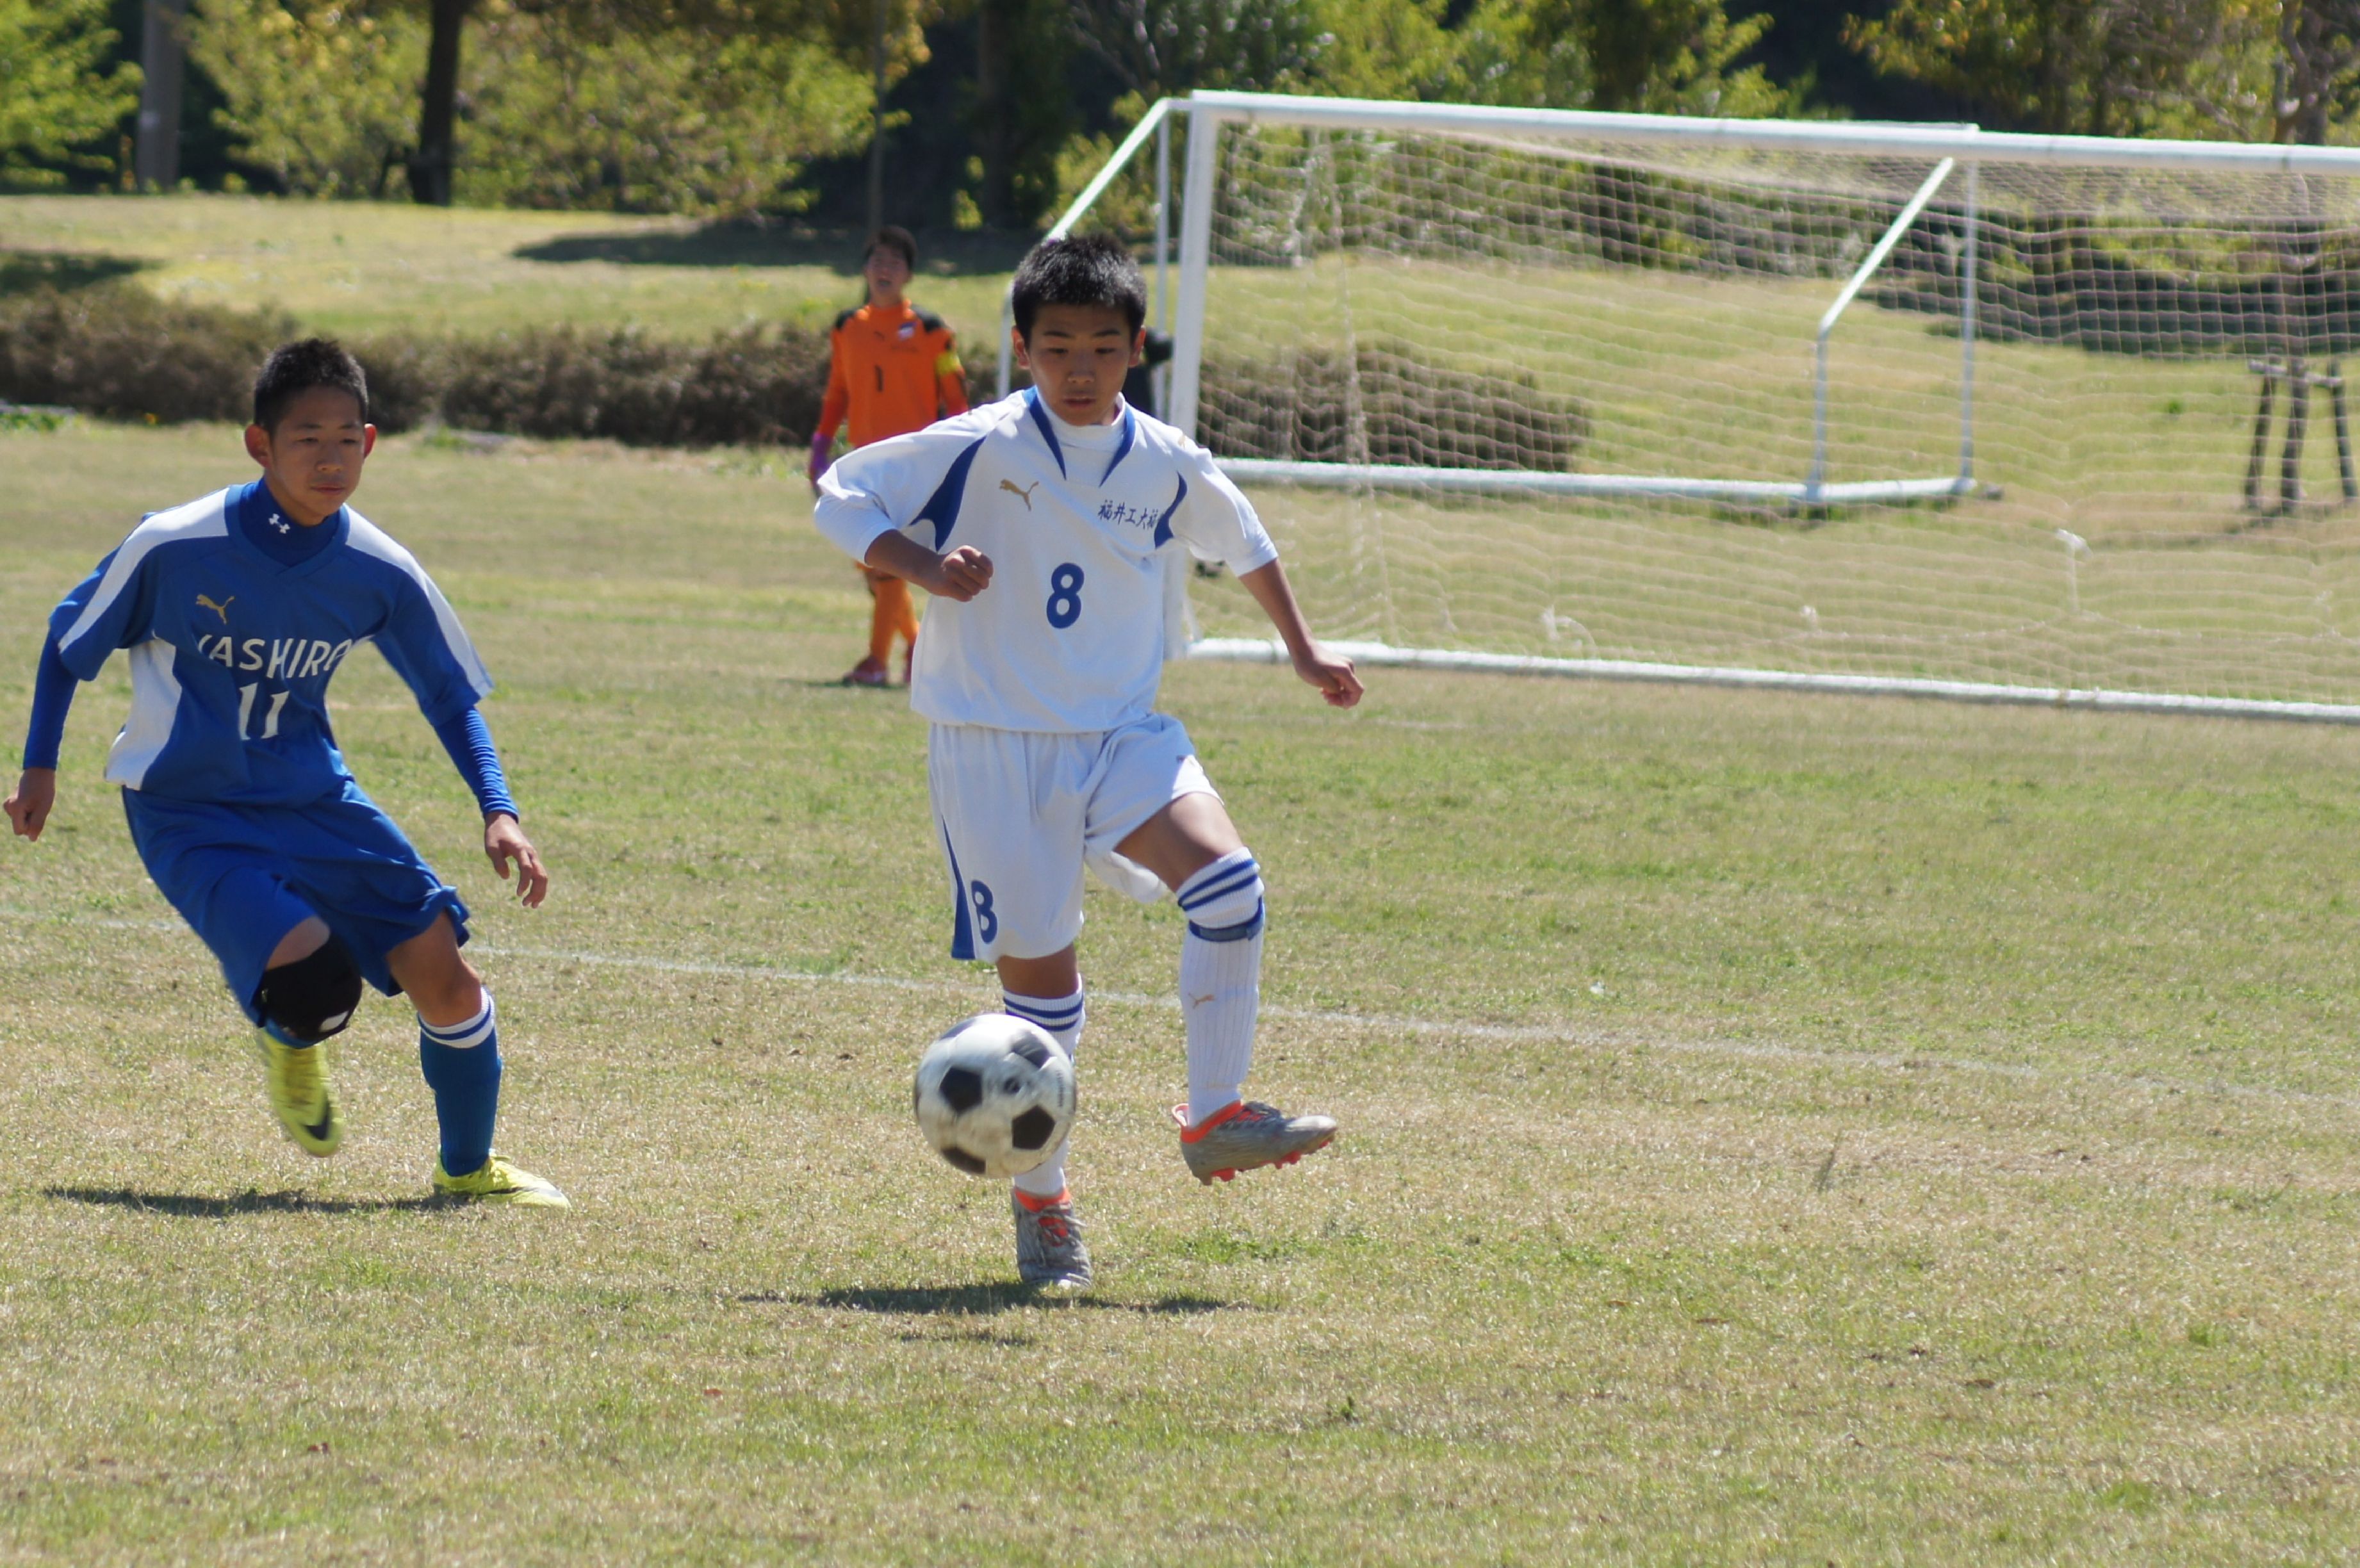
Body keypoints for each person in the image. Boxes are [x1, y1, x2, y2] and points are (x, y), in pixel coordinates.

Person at [813, 234, 1364, 1289]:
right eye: (1057, 346)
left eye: (1103, 348)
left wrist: (1302, 650)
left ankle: (1214, 1116)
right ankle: (1044, 1206)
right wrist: (926, 566)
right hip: (994, 742)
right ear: (1021, 350)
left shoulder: (1162, 458)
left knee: (1231, 885)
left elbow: (1244, 540)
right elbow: (839, 493)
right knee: (1041, 999)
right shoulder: (978, 442)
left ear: (1135, 349)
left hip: (1119, 731)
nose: (1080, 367)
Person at [4, 339, 567, 1207]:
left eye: (346, 439)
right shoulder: (174, 545)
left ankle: (468, 1170)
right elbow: (67, 641)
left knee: (446, 975)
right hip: (188, 809)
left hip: (314, 799)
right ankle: (292, 1034)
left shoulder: (380, 568)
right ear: (259, 445)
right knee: (313, 984)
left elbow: (448, 697)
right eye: (307, 439)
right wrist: (40, 766)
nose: (329, 458)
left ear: (370, 444)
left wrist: (500, 809)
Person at [809, 225, 969, 687]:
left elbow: (956, 397)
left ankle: (876, 662)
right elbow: (838, 391)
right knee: (873, 566)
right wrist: (820, 445)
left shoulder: (932, 331)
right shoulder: (847, 327)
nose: (885, 269)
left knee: (885, 564)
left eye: (895, 262)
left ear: (909, 275)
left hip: (913, 463)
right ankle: (916, 646)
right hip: (864, 460)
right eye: (878, 260)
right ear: (864, 268)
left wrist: (959, 451)